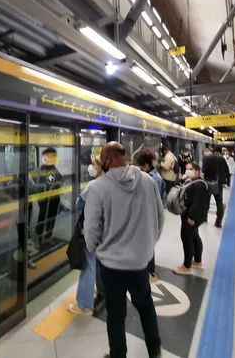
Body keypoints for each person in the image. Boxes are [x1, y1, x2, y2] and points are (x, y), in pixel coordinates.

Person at [85, 142, 163, 358]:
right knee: (146, 307)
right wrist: (147, 247)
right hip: (139, 263)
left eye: (101, 158)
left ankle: (118, 355)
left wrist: (96, 250)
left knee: (116, 315)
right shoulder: (147, 181)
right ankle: (155, 352)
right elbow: (159, 217)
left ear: (108, 160)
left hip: (111, 267)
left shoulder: (99, 187)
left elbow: (90, 228)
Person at [68, 154, 106, 315]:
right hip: (106, 231)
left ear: (100, 167)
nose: (91, 167)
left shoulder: (94, 184)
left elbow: (79, 204)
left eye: (94, 164)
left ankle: (84, 304)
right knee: (99, 263)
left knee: (89, 265)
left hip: (91, 231)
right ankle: (102, 293)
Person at [174, 162, 210, 275]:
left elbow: (197, 202)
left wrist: (191, 217)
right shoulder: (190, 181)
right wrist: (182, 179)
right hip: (192, 214)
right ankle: (197, 261)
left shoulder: (200, 184)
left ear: (197, 171)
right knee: (194, 236)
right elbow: (177, 187)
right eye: (186, 169)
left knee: (186, 238)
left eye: (190, 169)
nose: (188, 171)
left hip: (193, 215)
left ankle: (187, 265)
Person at [136, 148, 166, 283]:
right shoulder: (155, 177)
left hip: (148, 216)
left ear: (146, 166)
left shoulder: (153, 180)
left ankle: (150, 271)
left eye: (140, 167)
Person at [33, 148, 63, 244]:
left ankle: (48, 236)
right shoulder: (38, 171)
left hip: (54, 199)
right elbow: (36, 185)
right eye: (45, 157)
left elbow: (59, 185)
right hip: (43, 199)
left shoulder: (57, 171)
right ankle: (38, 237)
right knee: (42, 217)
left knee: (51, 217)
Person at [202, 147, 229, 228]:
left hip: (208, 182)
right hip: (219, 183)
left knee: (206, 201)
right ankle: (219, 221)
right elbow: (226, 170)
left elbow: (204, 170)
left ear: (206, 152)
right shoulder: (221, 158)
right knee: (219, 202)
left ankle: (204, 218)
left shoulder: (206, 159)